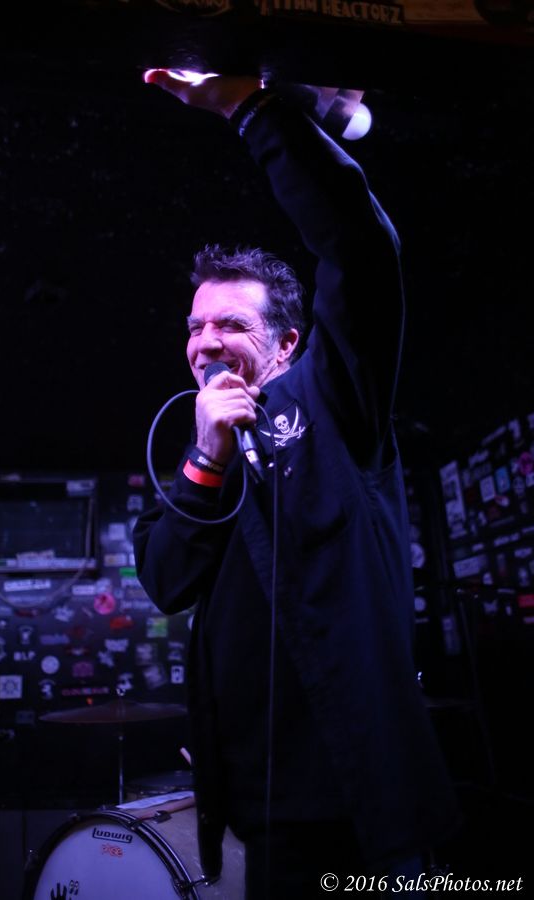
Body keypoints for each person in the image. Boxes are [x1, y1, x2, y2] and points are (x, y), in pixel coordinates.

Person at [133, 71, 460, 898]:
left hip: (365, 797)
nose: (205, 341)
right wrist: (207, 457)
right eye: (195, 326)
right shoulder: (193, 450)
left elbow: (360, 248)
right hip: (264, 805)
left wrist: (253, 110)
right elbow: (166, 579)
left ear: (285, 343)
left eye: (230, 324)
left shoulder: (330, 397)